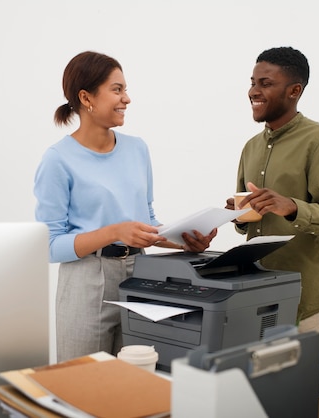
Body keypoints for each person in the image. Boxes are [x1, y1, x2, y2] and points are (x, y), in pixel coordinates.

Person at [34, 51, 217, 362]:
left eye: (125, 89)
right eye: (117, 89)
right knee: (85, 385)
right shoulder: (58, 159)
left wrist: (181, 240)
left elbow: (146, 220)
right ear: (86, 97)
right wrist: (113, 232)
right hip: (86, 280)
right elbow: (49, 246)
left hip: (140, 275)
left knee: (137, 377)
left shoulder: (137, 149)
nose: (127, 98)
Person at [225, 46, 319, 363]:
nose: (253, 91)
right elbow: (250, 226)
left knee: (299, 400)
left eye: (265, 83)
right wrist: (240, 215)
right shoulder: (250, 148)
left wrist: (292, 207)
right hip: (257, 296)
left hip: (304, 298)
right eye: (253, 82)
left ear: (294, 90)